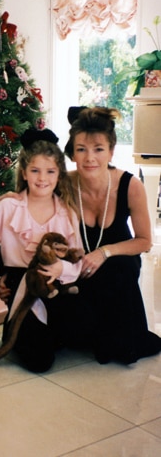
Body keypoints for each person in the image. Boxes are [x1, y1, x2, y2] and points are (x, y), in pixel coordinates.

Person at [65, 106, 161, 364]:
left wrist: (104, 252)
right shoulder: (64, 183)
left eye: (98, 149)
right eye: (81, 149)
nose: (89, 158)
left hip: (118, 273)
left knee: (119, 266)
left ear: (111, 151)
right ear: (73, 152)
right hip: (79, 270)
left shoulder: (131, 186)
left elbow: (144, 241)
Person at [0, 128, 87, 373]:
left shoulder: (68, 212)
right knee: (40, 361)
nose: (42, 178)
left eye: (50, 171)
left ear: (59, 174)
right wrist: (1, 277)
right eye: (35, 171)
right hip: (22, 287)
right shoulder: (8, 207)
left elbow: (78, 259)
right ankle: (24, 331)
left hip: (58, 286)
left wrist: (60, 267)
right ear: (24, 172)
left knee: (84, 331)